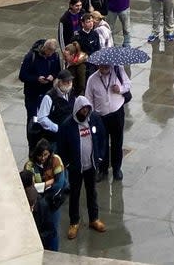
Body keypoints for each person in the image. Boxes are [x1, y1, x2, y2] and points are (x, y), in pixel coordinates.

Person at [57, 96, 107, 240]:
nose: (85, 112)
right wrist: (67, 164)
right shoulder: (67, 126)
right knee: (75, 194)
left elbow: (102, 137)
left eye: (87, 109)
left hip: (91, 165)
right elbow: (61, 146)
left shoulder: (94, 119)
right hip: (75, 168)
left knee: (92, 192)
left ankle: (94, 219)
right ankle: (74, 222)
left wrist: (99, 157)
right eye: (82, 109)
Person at [84, 64, 131, 182]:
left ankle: (116, 169)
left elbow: (128, 85)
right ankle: (102, 170)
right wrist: (91, 117)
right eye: (102, 66)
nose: (105, 68)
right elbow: (88, 99)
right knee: (102, 144)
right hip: (101, 117)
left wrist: (120, 89)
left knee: (117, 142)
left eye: (107, 66)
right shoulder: (92, 79)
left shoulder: (118, 70)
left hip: (117, 114)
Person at [23, 139, 66, 251]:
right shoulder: (29, 165)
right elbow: (30, 187)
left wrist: (40, 188)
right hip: (38, 205)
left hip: (52, 203)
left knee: (52, 231)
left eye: (45, 155)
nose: (42, 158)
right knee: (39, 231)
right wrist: (47, 183)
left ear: (49, 153)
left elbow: (59, 184)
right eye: (40, 155)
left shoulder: (56, 160)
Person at [18, 38, 61, 149]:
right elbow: (22, 76)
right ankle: (32, 143)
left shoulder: (54, 57)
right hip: (32, 94)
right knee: (33, 118)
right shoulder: (30, 57)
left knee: (46, 117)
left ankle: (44, 141)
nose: (50, 54)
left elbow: (57, 71)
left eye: (52, 52)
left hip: (47, 94)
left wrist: (53, 76)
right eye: (49, 51)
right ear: (44, 48)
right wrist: (37, 79)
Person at [20, 169, 58, 251]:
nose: (34, 188)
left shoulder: (41, 204)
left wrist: (36, 239)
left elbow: (50, 231)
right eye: (32, 184)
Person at [36, 70, 76, 147]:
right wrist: (57, 128)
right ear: (59, 82)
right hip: (55, 138)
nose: (69, 83)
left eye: (70, 81)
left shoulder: (72, 93)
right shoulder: (49, 97)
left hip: (69, 135)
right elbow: (41, 118)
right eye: (66, 81)